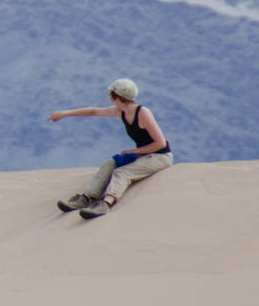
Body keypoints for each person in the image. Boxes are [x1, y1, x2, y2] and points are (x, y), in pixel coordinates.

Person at [47, 78, 174, 219]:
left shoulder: (143, 113)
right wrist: (65, 113)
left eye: (112, 96)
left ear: (118, 97)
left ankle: (105, 204)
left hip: (160, 157)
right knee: (110, 165)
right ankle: (86, 198)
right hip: (144, 155)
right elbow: (94, 111)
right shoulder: (122, 111)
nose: (111, 100)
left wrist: (134, 151)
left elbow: (161, 143)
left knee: (122, 173)